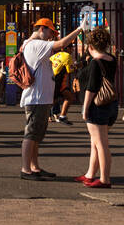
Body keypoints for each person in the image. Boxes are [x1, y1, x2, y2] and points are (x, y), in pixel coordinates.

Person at [19, 17, 83, 180]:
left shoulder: (31, 43)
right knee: (31, 134)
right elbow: (61, 44)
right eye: (50, 32)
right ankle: (26, 169)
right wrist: (79, 29)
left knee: (36, 136)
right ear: (42, 29)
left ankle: (34, 167)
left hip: (40, 97)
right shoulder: (35, 44)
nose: (51, 36)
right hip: (36, 98)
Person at [76, 25, 118, 188]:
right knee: (96, 141)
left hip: (97, 106)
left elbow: (92, 88)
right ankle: (90, 174)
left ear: (90, 46)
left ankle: (105, 179)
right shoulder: (111, 59)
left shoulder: (95, 62)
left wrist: (85, 108)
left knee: (101, 144)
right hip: (110, 104)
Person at [50, 46, 75, 124]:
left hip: (53, 79)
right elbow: (70, 70)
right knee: (54, 101)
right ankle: (39, 116)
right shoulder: (67, 56)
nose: (73, 49)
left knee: (67, 97)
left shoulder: (57, 54)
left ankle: (62, 116)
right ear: (68, 48)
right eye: (72, 48)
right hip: (59, 81)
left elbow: (50, 61)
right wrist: (78, 65)